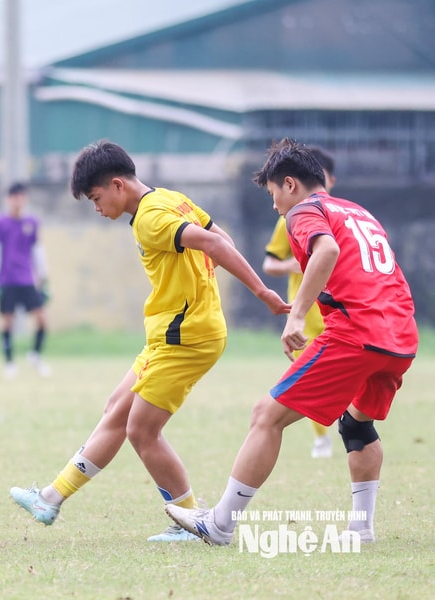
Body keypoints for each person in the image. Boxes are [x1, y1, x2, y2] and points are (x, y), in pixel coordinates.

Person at [9, 140, 288, 541]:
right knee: (116, 410)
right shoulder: (169, 199)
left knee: (141, 431)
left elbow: (211, 242)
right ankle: (50, 499)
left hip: (185, 337)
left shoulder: (150, 219)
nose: (97, 208)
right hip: (171, 332)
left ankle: (193, 523)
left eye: (96, 197)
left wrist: (261, 292)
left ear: (118, 185)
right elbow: (217, 233)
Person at [166, 138, 417, 545]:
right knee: (357, 425)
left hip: (356, 332)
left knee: (267, 415)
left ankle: (220, 525)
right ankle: (362, 529)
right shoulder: (357, 211)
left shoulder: (304, 210)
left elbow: (328, 250)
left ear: (290, 184)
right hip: (401, 335)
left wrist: (297, 314)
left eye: (272, 195)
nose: (274, 206)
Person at [262, 146, 336, 459]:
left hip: (339, 312)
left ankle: (350, 429)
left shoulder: (337, 215)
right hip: (304, 313)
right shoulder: (289, 219)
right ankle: (323, 439)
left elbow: (330, 251)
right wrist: (290, 266)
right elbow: (270, 263)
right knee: (309, 380)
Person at [0, 182, 51, 378]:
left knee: (41, 320)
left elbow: (36, 250)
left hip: (27, 279)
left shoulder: (31, 222)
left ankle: (35, 355)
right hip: (7, 279)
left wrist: (43, 277)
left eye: (21, 196)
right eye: (14, 196)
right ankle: (9, 363)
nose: (17, 200)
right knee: (7, 321)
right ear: (8, 199)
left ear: (25, 199)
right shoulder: (0, 223)